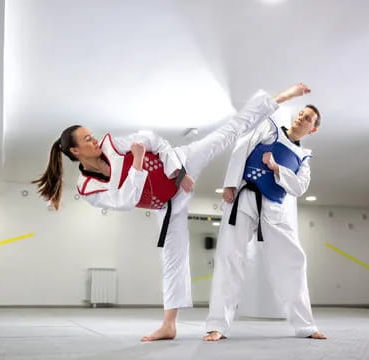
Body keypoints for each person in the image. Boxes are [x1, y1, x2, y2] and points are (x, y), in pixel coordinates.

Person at [33, 83, 311, 341]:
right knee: (172, 258)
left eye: (91, 135)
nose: (94, 140)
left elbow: (152, 139)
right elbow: (126, 200)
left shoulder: (111, 144)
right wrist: (139, 163)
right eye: (87, 139)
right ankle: (169, 325)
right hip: (165, 205)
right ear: (75, 151)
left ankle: (280, 98)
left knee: (229, 131)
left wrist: (178, 173)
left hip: (180, 161)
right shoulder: (88, 188)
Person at [203, 101, 327, 341]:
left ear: (314, 129)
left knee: (294, 260)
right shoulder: (271, 128)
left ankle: (306, 326)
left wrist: (275, 167)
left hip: (274, 208)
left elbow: (299, 187)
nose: (302, 117)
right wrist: (230, 184)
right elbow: (242, 146)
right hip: (244, 198)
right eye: (301, 113)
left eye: (308, 118)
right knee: (229, 258)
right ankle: (217, 325)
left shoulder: (304, 158)